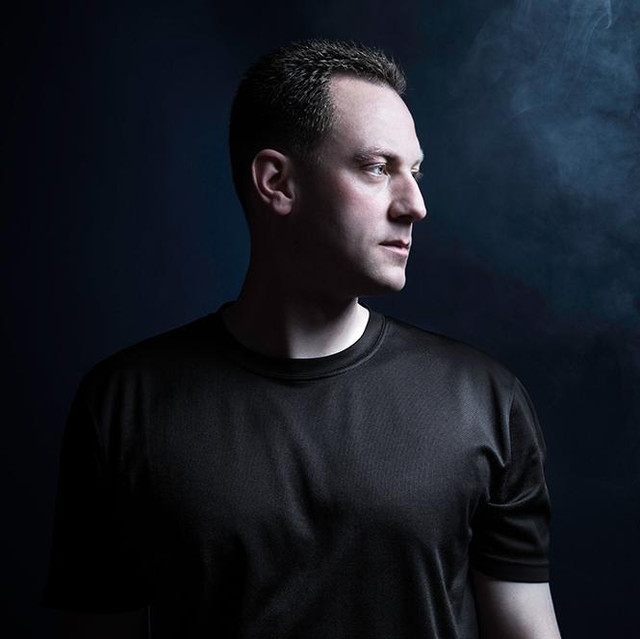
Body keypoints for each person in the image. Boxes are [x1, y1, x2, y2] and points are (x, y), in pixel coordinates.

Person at [44, 39, 561, 638]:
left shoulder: (486, 401)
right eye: (378, 167)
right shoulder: (123, 407)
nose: (415, 205)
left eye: (414, 172)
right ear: (277, 182)